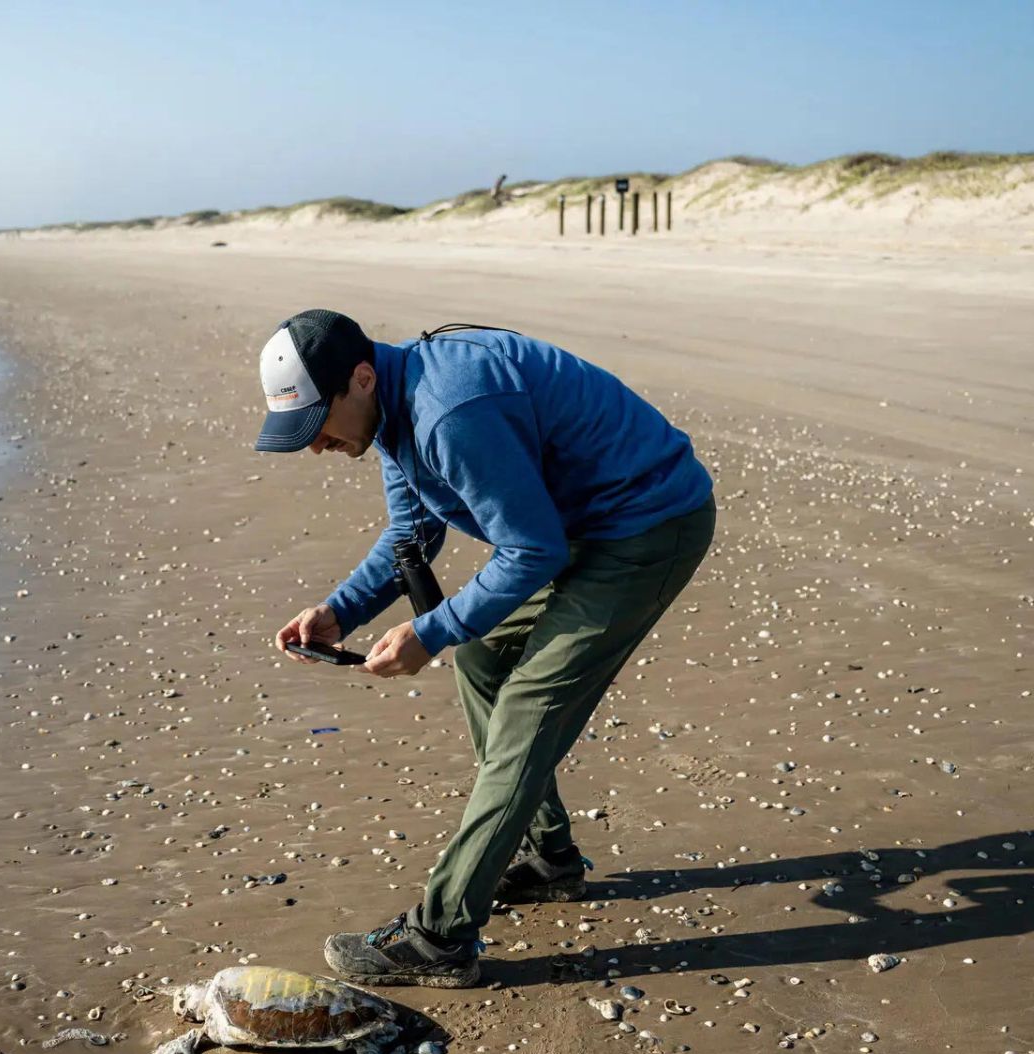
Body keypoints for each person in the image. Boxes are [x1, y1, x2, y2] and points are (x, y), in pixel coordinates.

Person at [254, 310, 715, 987]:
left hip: (649, 525)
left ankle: (441, 937)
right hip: (583, 526)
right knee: (482, 656)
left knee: (529, 706)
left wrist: (430, 630)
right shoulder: (388, 404)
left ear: (358, 378)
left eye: (316, 425)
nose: (316, 447)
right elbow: (413, 533)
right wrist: (340, 611)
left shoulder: (448, 412)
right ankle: (548, 856)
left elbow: (532, 549)